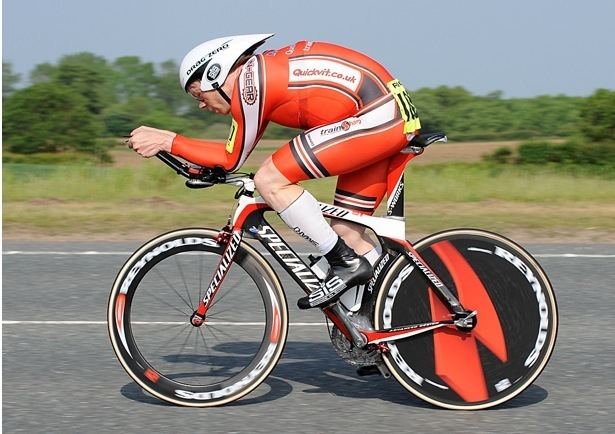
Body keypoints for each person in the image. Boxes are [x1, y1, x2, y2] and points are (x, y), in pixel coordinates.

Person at [128, 34, 421, 310]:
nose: (201, 106)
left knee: (269, 179)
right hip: (383, 114)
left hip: (377, 115)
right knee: (348, 234)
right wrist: (197, 162)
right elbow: (232, 153)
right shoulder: (257, 80)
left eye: (198, 95)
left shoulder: (251, 82)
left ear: (215, 74)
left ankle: (345, 263)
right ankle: (380, 333)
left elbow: (231, 159)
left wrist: (169, 141)